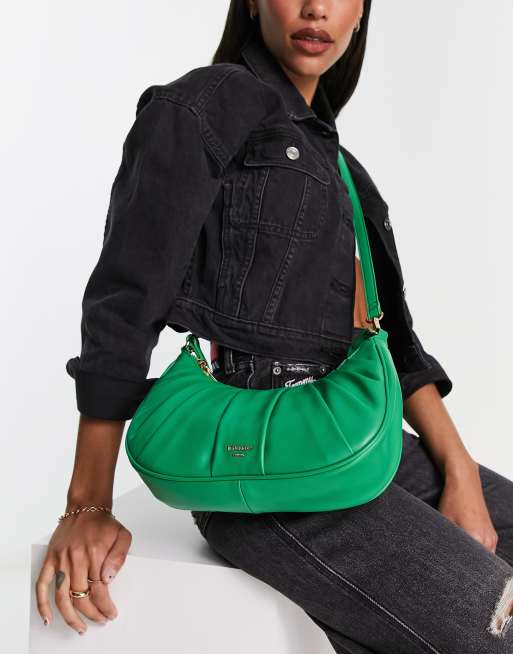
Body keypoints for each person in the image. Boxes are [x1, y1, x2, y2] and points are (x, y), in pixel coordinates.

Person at [36, 0, 513, 650]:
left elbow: (396, 344)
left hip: (361, 438)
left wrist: (460, 473)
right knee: (495, 625)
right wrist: (88, 503)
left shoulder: (347, 173)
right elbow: (126, 296)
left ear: (361, 13)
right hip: (257, 459)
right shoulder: (209, 102)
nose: (316, 7)